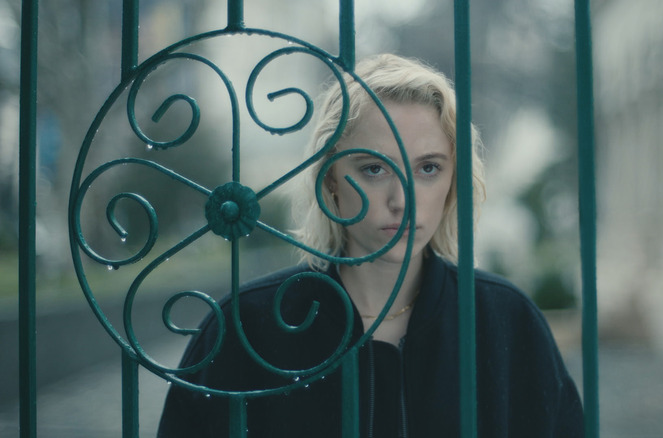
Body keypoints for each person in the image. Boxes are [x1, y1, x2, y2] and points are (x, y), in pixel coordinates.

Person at [158, 54, 583, 437]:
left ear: (453, 180)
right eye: (375, 168)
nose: (403, 200)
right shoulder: (248, 327)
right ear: (330, 181)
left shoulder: (505, 321)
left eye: (428, 168)